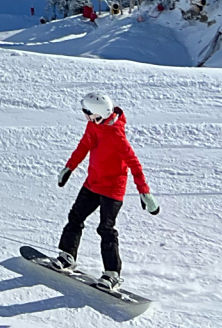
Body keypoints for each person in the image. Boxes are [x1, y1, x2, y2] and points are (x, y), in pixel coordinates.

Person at [45, 92, 159, 292]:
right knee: (75, 217)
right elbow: (83, 147)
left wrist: (145, 192)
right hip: (92, 183)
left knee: (106, 229)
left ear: (98, 113)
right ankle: (67, 256)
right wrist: (69, 167)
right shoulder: (93, 126)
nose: (85, 116)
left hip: (112, 190)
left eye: (87, 113)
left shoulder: (116, 135)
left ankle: (112, 274)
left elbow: (135, 164)